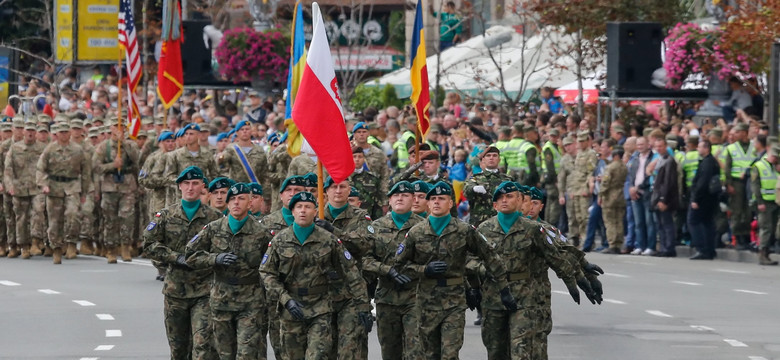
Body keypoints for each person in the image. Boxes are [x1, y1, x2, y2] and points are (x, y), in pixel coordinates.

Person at [393, 181, 518, 359]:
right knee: (429, 353)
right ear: (427, 204)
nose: (436, 202)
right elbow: (399, 265)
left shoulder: (464, 230)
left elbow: (490, 257)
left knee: (450, 353)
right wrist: (424, 270)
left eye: (442, 199)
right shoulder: (416, 232)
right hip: (425, 301)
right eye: (433, 199)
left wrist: (504, 289)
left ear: (450, 203)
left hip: (454, 301)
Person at [477, 182, 589, 359]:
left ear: (520, 200)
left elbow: (556, 256)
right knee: (496, 351)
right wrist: (483, 271)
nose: (504, 200)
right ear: (494, 205)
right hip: (493, 297)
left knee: (521, 350)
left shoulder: (533, 229)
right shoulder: (483, 229)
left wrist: (576, 278)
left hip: (525, 297)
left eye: (509, 196)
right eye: (500, 198)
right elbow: (469, 260)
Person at [260, 191, 371, 360]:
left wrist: (364, 306)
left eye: (308, 207)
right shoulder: (279, 241)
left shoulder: (329, 240)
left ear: (315, 211)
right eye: (299, 207)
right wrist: (285, 299)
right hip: (291, 309)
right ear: (293, 211)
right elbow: (266, 272)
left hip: (320, 309)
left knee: (318, 356)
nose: (303, 210)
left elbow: (351, 272)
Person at [143, 166, 223, 359]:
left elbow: (223, 249)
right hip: (175, 291)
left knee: (203, 345)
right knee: (178, 349)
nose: (190, 188)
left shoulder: (215, 218)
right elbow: (149, 244)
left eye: (195, 183)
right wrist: (174, 257)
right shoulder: (166, 215)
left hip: (204, 290)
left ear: (203, 187)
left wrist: (208, 260)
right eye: (186, 183)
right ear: (179, 186)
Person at [185, 182, 272, 360]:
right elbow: (190, 254)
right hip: (221, 299)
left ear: (250, 203)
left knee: (246, 353)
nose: (236, 203)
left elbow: (271, 265)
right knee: (224, 353)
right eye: (232, 199)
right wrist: (214, 259)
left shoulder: (261, 233)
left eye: (241, 199)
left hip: (251, 302)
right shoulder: (213, 229)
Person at [362, 181, 424, 360]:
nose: (400, 198)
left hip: (416, 297)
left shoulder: (423, 226)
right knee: (390, 351)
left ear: (413, 199)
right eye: (396, 195)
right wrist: (387, 270)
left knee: (416, 351)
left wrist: (416, 271)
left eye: (405, 195)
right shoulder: (376, 227)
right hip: (386, 298)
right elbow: (365, 260)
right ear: (389, 200)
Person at [322, 177, 373, 360]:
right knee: (324, 349)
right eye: (333, 187)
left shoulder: (360, 216)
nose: (338, 191)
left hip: (351, 292)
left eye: (342, 187)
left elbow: (365, 244)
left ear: (349, 190)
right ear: (325, 191)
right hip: (321, 293)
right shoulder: (316, 215)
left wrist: (333, 231)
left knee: (349, 351)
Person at [257, 175, 307, 358]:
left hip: (311, 293)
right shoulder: (267, 224)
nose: (293, 194)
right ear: (281, 196)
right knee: (282, 348)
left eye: (298, 191)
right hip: (277, 294)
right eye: (289, 191)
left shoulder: (314, 221)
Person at [38, 123, 92, 264]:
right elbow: (41, 168)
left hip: (72, 186)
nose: (63, 135)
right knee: (54, 221)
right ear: (56, 134)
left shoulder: (78, 150)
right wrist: (44, 184)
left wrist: (85, 191)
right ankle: (56, 248)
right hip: (54, 187)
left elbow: (85, 171)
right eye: (60, 132)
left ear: (69, 133)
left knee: (73, 214)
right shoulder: (50, 149)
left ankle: (71, 243)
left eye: (65, 132)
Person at [6, 122, 46, 259]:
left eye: (32, 131)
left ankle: (35, 241)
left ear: (36, 132)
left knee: (38, 212)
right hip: (20, 188)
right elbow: (8, 169)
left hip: (37, 188)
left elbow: (47, 167)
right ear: (23, 132)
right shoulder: (15, 148)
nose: (30, 133)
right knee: (21, 219)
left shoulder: (42, 148)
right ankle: (24, 246)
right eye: (27, 130)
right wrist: (9, 184)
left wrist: (45, 183)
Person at [217, 120, 270, 210]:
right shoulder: (231, 148)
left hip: (255, 192)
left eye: (247, 129)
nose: (245, 131)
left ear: (251, 132)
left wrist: (266, 197)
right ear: (237, 132)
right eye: (242, 129)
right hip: (237, 192)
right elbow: (222, 165)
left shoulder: (259, 150)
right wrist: (220, 158)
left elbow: (265, 174)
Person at [724, 123, 755, 250]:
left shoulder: (754, 146)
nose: (734, 135)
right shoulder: (731, 148)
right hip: (736, 182)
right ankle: (738, 238)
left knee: (748, 211)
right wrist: (729, 184)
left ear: (744, 132)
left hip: (750, 181)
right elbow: (727, 167)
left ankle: (746, 236)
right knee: (737, 210)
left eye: (737, 132)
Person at [464, 146, 512, 226]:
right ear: (483, 160)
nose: (491, 158)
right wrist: (473, 189)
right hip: (481, 222)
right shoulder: (475, 179)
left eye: (494, 155)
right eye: (488, 156)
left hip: (502, 222)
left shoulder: (507, 180)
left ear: (499, 160)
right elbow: (467, 191)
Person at [688, 139, 720, 260]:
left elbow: (703, 183)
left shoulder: (707, 163)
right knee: (707, 223)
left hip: (704, 198)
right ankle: (709, 249)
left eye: (700, 147)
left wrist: (696, 199)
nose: (698, 149)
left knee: (694, 221)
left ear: (706, 148)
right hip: (710, 198)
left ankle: (702, 248)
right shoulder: (709, 161)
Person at [627, 136, 658, 256]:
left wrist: (638, 187)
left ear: (648, 145)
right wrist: (631, 188)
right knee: (638, 222)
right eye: (638, 145)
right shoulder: (635, 158)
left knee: (649, 221)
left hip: (647, 193)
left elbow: (650, 176)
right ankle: (640, 245)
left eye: (642, 144)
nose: (640, 147)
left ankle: (650, 246)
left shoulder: (652, 158)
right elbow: (631, 176)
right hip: (635, 194)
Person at [751, 143, 779, 265]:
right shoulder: (759, 166)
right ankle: (762, 254)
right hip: (764, 202)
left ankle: (766, 253)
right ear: (769, 154)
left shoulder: (776, 167)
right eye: (774, 156)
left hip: (775, 201)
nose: (775, 159)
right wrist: (760, 202)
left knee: (772, 228)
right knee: (765, 228)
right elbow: (755, 186)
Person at [651, 137, 679, 257]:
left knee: (667, 224)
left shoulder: (669, 161)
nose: (658, 149)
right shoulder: (659, 159)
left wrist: (663, 199)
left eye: (661, 146)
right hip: (658, 196)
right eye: (656, 146)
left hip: (665, 198)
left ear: (666, 146)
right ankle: (663, 247)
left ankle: (669, 248)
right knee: (660, 224)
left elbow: (668, 182)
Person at [598, 146, 628, 254]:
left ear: (615, 156)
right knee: (619, 220)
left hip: (610, 196)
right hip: (620, 195)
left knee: (609, 221)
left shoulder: (610, 167)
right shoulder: (624, 167)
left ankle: (612, 243)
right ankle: (618, 243)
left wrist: (600, 194)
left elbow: (605, 182)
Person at [571, 131, 597, 248]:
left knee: (585, 216)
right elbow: (576, 172)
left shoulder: (590, 153)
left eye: (582, 141)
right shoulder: (579, 153)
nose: (580, 143)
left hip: (583, 188)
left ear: (587, 141)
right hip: (576, 187)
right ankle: (583, 239)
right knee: (578, 217)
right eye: (579, 141)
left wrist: (586, 187)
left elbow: (590, 171)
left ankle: (588, 240)